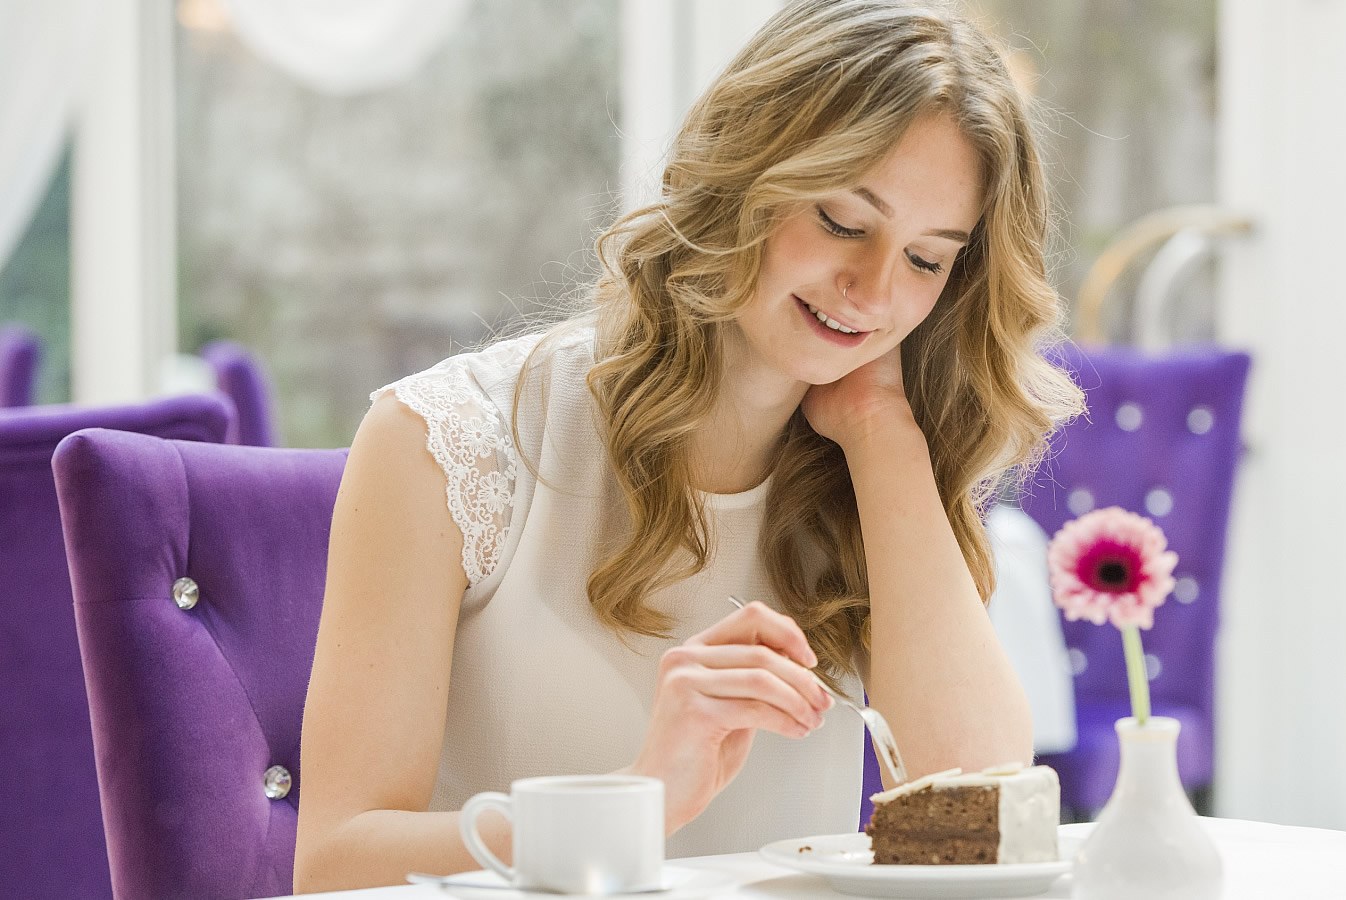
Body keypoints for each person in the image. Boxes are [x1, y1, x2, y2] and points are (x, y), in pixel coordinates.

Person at [292, 0, 1083, 891]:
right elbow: (335, 865)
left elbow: (978, 795)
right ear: (743, 175)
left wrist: (881, 430)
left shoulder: (873, 468)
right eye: (841, 221)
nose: (872, 290)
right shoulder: (445, 441)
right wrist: (635, 802)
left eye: (927, 260)